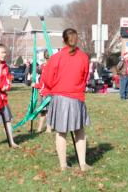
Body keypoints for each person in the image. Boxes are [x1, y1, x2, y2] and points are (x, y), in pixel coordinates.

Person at [41, 28, 91, 171]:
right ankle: (82, 163)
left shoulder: (56, 57)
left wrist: (54, 87)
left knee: (61, 132)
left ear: (63, 40)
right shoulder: (84, 57)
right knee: (79, 131)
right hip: (76, 96)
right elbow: (85, 77)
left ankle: (64, 164)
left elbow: (48, 79)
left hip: (62, 97)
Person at [34, 50, 52, 133]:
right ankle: (40, 128)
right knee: (43, 111)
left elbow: (44, 83)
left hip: (47, 93)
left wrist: (35, 85)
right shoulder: (43, 66)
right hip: (44, 92)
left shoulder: (48, 67)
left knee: (47, 111)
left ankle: (48, 128)